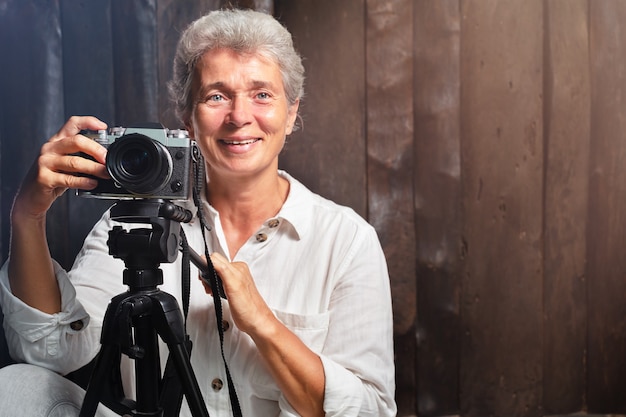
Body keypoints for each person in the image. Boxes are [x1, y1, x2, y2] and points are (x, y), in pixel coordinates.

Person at [0, 8, 396, 417]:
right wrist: (27, 215)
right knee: (15, 387)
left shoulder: (346, 240)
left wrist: (262, 323)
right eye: (217, 96)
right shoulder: (138, 217)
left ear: (291, 112)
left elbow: (370, 410)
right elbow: (54, 349)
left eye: (262, 94)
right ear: (187, 118)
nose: (240, 116)